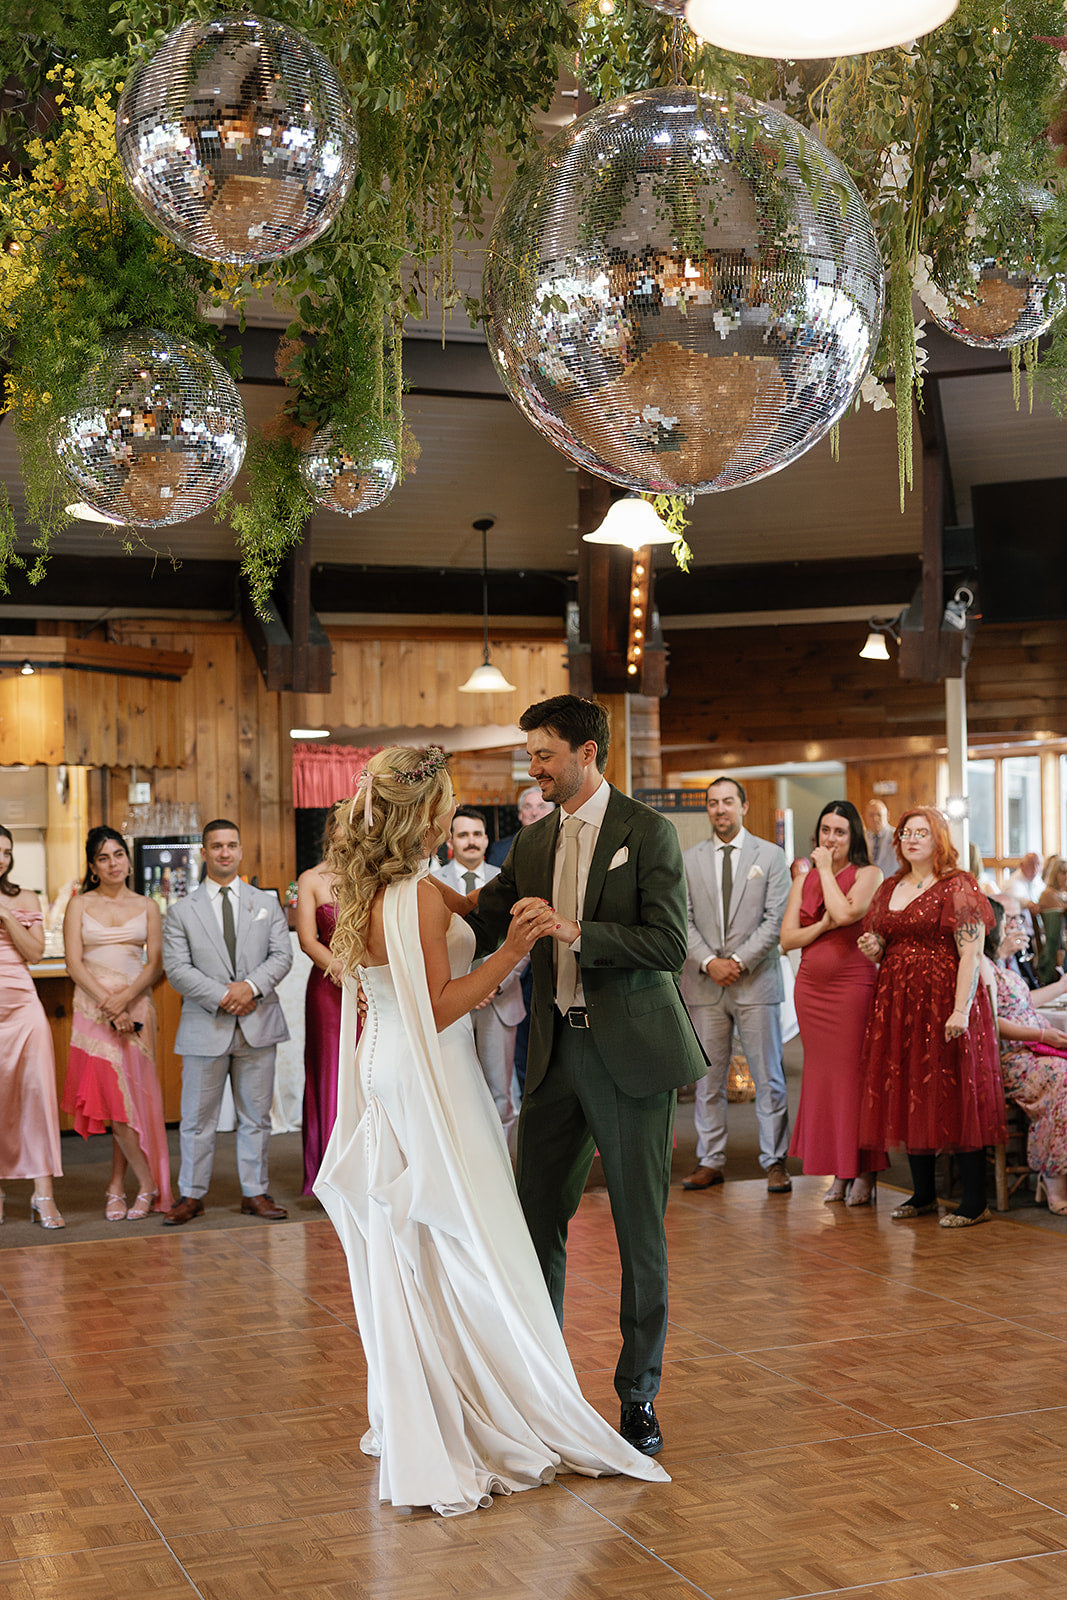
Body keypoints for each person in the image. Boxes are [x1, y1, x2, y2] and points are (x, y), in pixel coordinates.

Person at [314, 744, 669, 1516]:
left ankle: (435, 1391)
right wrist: (513, 950)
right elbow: (439, 1005)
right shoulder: (417, 896)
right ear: (426, 814)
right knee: (464, 1235)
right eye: (445, 803)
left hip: (385, 1066)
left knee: (422, 1242)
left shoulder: (383, 886)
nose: (452, 813)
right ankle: (481, 1401)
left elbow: (439, 942)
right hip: (429, 1073)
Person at [467, 696, 707, 1458]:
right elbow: (481, 918)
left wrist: (576, 932)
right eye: (530, 755)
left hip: (630, 1056)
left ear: (587, 752)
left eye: (543, 754)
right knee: (534, 1222)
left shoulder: (647, 832)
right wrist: (404, 897)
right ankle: (541, 1384)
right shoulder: (531, 841)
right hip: (551, 1057)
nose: (533, 768)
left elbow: (666, 944)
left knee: (639, 1231)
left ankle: (638, 1395)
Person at [857, 806, 1004, 1227]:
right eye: (906, 833)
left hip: (945, 1000)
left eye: (922, 832)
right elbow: (885, 943)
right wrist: (875, 949)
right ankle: (923, 1194)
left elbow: (971, 953)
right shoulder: (890, 886)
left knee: (955, 1090)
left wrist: (960, 1009)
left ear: (938, 839)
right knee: (909, 1087)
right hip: (898, 1003)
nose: (912, 839)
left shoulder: (958, 885)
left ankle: (974, 1201)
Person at [161, 818, 292, 1225]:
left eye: (231, 845)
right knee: (197, 1120)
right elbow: (176, 969)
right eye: (216, 846)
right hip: (206, 1025)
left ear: (240, 850)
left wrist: (249, 988)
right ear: (204, 852)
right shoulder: (181, 911)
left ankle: (255, 1192)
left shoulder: (265, 903)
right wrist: (225, 995)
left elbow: (282, 956)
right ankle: (191, 1194)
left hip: (258, 1022)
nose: (224, 852)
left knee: (256, 1118)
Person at [680, 776, 792, 1194]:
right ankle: (710, 1160)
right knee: (707, 1081)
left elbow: (775, 920)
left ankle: (775, 1161)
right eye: (713, 803)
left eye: (728, 801)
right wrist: (711, 962)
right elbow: (682, 919)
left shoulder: (771, 856)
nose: (720, 809)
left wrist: (738, 962)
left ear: (743, 806)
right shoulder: (688, 859)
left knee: (769, 1076)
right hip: (705, 984)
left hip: (756, 981)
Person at [62, 826, 171, 1219]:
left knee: (134, 1100)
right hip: (93, 1009)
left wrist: (125, 1000)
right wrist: (110, 1006)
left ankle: (116, 1186)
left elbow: (155, 963)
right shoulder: (79, 904)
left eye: (118, 854)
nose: (113, 864)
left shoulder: (147, 906)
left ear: (128, 859)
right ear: (93, 866)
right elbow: (74, 964)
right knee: (112, 1100)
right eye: (103, 858)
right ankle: (148, 1183)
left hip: (137, 1008)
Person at [782, 801, 885, 1205]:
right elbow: (787, 939)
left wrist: (824, 871)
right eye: (826, 830)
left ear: (853, 836)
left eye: (840, 832)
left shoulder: (868, 874)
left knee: (852, 1080)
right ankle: (839, 1171)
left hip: (851, 986)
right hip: (811, 990)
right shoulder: (802, 879)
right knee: (822, 1081)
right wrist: (821, 925)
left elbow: (845, 913)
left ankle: (864, 1171)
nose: (831, 838)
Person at [432, 806, 524, 1138]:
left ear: (487, 840)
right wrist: (465, 988)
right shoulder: (433, 885)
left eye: (477, 834)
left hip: (500, 1000)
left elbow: (523, 940)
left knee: (501, 1092)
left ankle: (501, 1161)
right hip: (449, 999)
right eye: (463, 835)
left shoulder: (508, 881)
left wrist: (492, 985)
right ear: (450, 842)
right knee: (454, 1089)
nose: (471, 841)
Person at [0, 824, 64, 1228]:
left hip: (23, 1007)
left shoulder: (24, 897)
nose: (1, 859)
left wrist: (6, 916)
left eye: (7, 852)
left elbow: (36, 953)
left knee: (37, 1094)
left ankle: (43, 1195)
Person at [990, 895, 1067, 1213]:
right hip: (1007, 1058)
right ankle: (1053, 1178)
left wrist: (1062, 986)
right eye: (1008, 918)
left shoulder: (1012, 960)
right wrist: (1042, 1035)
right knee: (1061, 1079)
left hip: (1032, 1050)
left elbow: (1022, 1002)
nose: (1015, 925)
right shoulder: (981, 962)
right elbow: (989, 1019)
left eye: (1018, 918)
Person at [296, 801, 345, 1195]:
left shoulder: (372, 875)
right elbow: (307, 940)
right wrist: (341, 969)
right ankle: (329, 1175)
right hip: (329, 989)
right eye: (346, 824)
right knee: (330, 1073)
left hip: (370, 987)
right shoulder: (311, 878)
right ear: (331, 829)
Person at [487, 784, 556, 867]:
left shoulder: (566, 845)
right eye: (528, 807)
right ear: (520, 814)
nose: (534, 813)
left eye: (541, 807)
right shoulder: (500, 850)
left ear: (553, 813)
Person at [1035, 857, 1067, 985]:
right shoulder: (1048, 894)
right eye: (1063, 873)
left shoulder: (1062, 894)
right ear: (1055, 874)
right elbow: (1062, 915)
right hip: (1054, 944)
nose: (1066, 876)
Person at [863, 798, 899, 879]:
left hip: (892, 882)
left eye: (879, 814)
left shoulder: (897, 837)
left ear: (887, 816)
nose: (875, 819)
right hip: (868, 882)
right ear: (865, 817)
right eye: (871, 815)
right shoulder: (862, 838)